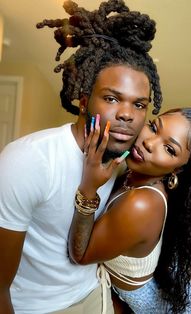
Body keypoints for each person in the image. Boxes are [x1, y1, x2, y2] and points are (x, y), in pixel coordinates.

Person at [0, 0, 162, 313]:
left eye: (139, 105)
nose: (127, 115)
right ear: (85, 101)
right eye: (112, 98)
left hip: (93, 293)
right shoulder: (29, 160)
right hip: (36, 307)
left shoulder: (123, 157)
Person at [68, 107, 191, 314]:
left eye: (169, 149)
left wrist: (88, 188)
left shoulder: (143, 203)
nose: (149, 143)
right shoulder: (133, 174)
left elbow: (81, 254)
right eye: (154, 127)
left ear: (179, 169)